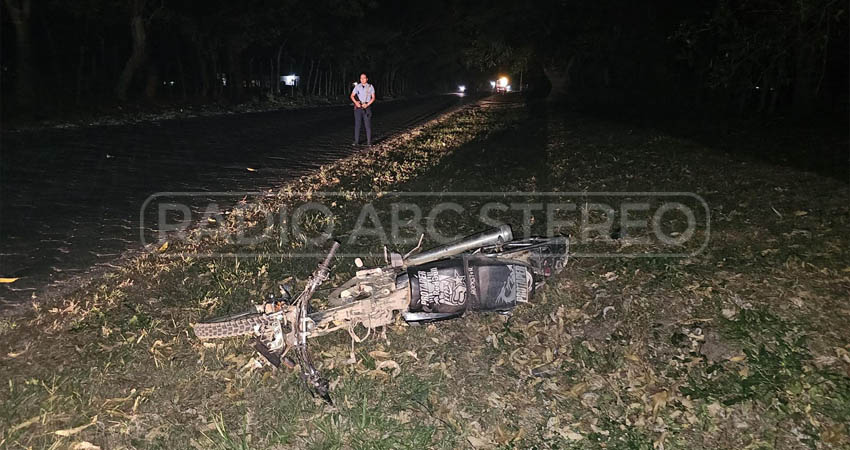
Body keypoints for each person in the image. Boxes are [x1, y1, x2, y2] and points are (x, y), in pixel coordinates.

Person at [350, 73, 375, 146]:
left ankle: (369, 142)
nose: (362, 79)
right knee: (357, 125)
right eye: (361, 78)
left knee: (367, 125)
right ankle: (356, 141)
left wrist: (367, 104)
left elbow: (373, 97)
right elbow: (352, 96)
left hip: (367, 107)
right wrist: (356, 103)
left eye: (364, 78)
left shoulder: (370, 86)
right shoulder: (357, 86)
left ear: (367, 79)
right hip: (358, 107)